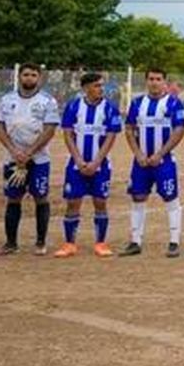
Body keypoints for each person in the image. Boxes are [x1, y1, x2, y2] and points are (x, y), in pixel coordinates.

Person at [0, 64, 61, 255]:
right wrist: (14, 151)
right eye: (25, 74)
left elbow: (49, 130)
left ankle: (40, 242)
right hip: (12, 158)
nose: (29, 78)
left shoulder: (48, 101)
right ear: (19, 77)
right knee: (13, 198)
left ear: (39, 78)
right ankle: (11, 243)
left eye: (33, 75)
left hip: (39, 158)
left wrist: (29, 152)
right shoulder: (6, 100)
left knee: (40, 196)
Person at [55, 71, 123, 258]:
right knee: (73, 203)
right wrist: (78, 159)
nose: (101, 89)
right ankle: (69, 244)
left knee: (100, 202)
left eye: (102, 85)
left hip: (100, 165)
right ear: (86, 88)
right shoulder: (73, 107)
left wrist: (96, 162)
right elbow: (68, 134)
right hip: (76, 165)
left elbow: (111, 137)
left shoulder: (110, 108)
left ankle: (101, 243)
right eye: (97, 85)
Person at [122, 67, 184, 257]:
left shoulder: (174, 103)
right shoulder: (136, 103)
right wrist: (138, 154)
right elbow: (129, 129)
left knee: (170, 197)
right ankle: (135, 241)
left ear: (164, 81)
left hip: (164, 161)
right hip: (140, 162)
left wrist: (160, 153)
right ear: (146, 81)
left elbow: (179, 131)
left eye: (158, 79)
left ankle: (174, 241)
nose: (154, 82)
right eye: (151, 78)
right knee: (138, 197)